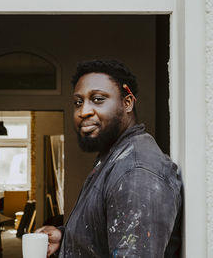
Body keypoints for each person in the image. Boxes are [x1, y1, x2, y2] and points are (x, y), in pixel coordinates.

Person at [36, 60, 182, 257]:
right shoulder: (115, 155)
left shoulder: (136, 173)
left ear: (127, 102)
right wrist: (65, 237)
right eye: (78, 102)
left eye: (97, 99)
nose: (83, 112)